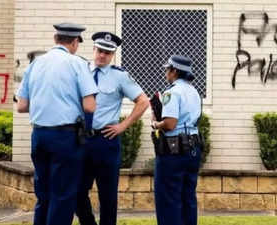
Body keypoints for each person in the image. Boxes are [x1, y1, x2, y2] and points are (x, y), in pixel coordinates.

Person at [16, 23, 98, 225]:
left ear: (55, 39)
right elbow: (90, 106)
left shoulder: (34, 64)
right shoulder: (77, 64)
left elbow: (22, 106)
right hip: (65, 138)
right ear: (74, 42)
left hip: (39, 135)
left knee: (43, 194)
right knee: (63, 195)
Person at [75, 32, 149, 225]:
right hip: (81, 140)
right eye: (100, 50)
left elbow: (143, 101)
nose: (102, 55)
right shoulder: (79, 72)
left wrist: (122, 126)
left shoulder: (120, 76)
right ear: (93, 50)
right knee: (77, 191)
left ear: (113, 54)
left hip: (106, 141)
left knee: (108, 195)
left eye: (107, 52)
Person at [151, 55, 202, 225]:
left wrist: (155, 123)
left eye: (168, 69)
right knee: (188, 198)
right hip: (193, 149)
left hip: (174, 152)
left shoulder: (172, 92)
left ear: (174, 71)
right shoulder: (194, 91)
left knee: (168, 200)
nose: (166, 72)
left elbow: (170, 124)